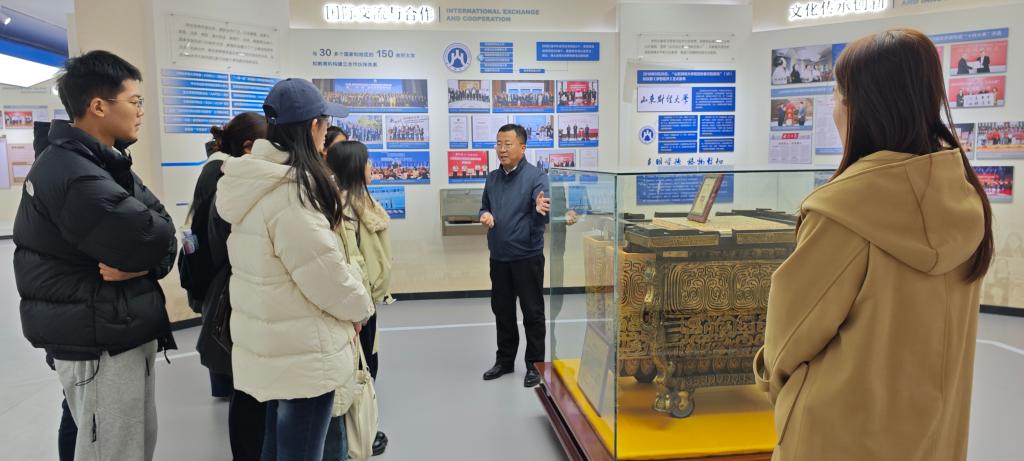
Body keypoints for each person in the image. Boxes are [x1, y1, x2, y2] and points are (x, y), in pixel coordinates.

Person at [754, 29, 993, 461]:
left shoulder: (843, 211)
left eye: (836, 94)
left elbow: (787, 342)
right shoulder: (964, 199)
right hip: (933, 438)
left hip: (836, 437)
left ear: (858, 105)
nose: (834, 106)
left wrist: (774, 387)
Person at [13, 50, 178, 461]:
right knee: (113, 450)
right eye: (135, 101)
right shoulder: (72, 173)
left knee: (123, 444)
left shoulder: (101, 161)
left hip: (111, 326)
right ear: (99, 106)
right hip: (98, 336)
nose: (141, 111)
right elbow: (154, 235)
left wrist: (144, 266)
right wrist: (152, 257)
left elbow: (163, 233)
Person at [215, 78, 373, 461]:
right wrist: (361, 308)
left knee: (276, 447)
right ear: (313, 126)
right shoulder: (291, 195)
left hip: (275, 345)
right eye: (325, 124)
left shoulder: (256, 182)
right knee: (299, 451)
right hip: (303, 353)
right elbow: (327, 278)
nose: (326, 134)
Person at [184, 112, 269, 461]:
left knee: (245, 387)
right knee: (245, 389)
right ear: (249, 147)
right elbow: (220, 245)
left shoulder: (223, 171)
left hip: (226, 287)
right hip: (226, 288)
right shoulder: (225, 176)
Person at [325, 140, 395, 459]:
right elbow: (356, 262)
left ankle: (364, 425)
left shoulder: (361, 204)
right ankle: (357, 434)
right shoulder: (345, 211)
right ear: (354, 168)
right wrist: (362, 305)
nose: (371, 168)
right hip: (358, 306)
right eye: (367, 162)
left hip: (367, 302)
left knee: (368, 362)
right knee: (360, 367)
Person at [479, 124, 551, 388]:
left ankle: (535, 365)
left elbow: (544, 210)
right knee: (502, 311)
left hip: (526, 257)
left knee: (532, 312)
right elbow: (484, 207)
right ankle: (505, 360)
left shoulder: (536, 177)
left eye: (508, 144)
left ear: (522, 147)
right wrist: (485, 215)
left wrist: (540, 207)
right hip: (499, 257)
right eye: (498, 144)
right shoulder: (492, 178)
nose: (502, 149)